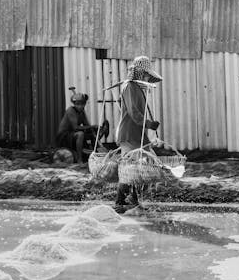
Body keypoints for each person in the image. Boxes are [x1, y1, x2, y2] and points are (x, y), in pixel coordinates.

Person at [114, 55, 162, 213]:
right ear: (140, 73)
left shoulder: (137, 89)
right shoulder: (130, 87)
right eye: (147, 74)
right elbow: (134, 113)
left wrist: (148, 126)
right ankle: (120, 202)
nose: (148, 77)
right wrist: (149, 124)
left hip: (137, 134)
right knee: (131, 169)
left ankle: (133, 200)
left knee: (144, 166)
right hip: (129, 133)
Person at [56, 91, 105, 163]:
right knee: (80, 134)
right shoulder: (71, 111)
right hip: (64, 136)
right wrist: (90, 126)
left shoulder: (82, 112)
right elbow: (75, 127)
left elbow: (87, 125)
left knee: (92, 132)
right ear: (74, 104)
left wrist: (95, 129)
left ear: (84, 104)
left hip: (72, 133)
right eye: (78, 104)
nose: (80, 106)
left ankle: (95, 154)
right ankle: (80, 159)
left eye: (82, 104)